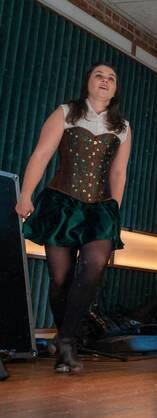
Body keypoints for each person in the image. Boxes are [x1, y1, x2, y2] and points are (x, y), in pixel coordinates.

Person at [16, 63, 132, 373]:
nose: (105, 81)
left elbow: (119, 172)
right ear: (88, 82)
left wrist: (115, 208)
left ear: (116, 87)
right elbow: (42, 153)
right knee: (60, 279)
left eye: (111, 78)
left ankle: (66, 340)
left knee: (93, 268)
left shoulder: (122, 126)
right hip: (62, 203)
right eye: (99, 75)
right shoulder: (66, 112)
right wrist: (26, 195)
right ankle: (64, 336)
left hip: (100, 209)